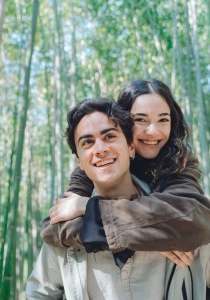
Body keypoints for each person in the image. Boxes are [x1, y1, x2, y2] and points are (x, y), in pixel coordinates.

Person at [42, 79, 210, 257]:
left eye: (163, 120)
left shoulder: (180, 161)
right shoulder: (95, 166)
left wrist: (89, 207)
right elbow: (57, 225)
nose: (153, 131)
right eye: (141, 120)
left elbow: (193, 219)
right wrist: (149, 236)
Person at [26, 98, 170, 299]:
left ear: (130, 147)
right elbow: (38, 294)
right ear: (80, 162)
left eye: (109, 136)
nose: (100, 149)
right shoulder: (65, 229)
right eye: (87, 142)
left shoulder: (174, 215)